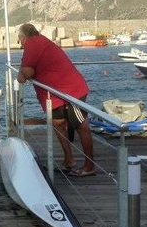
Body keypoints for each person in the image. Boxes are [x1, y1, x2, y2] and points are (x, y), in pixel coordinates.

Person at [16, 23, 96, 177]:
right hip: (54, 95)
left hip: (70, 91)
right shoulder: (38, 42)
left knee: (81, 126)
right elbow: (27, 72)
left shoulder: (32, 44)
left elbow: (26, 73)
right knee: (57, 123)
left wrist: (23, 71)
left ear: (22, 38)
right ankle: (69, 161)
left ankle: (89, 166)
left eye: (19, 40)